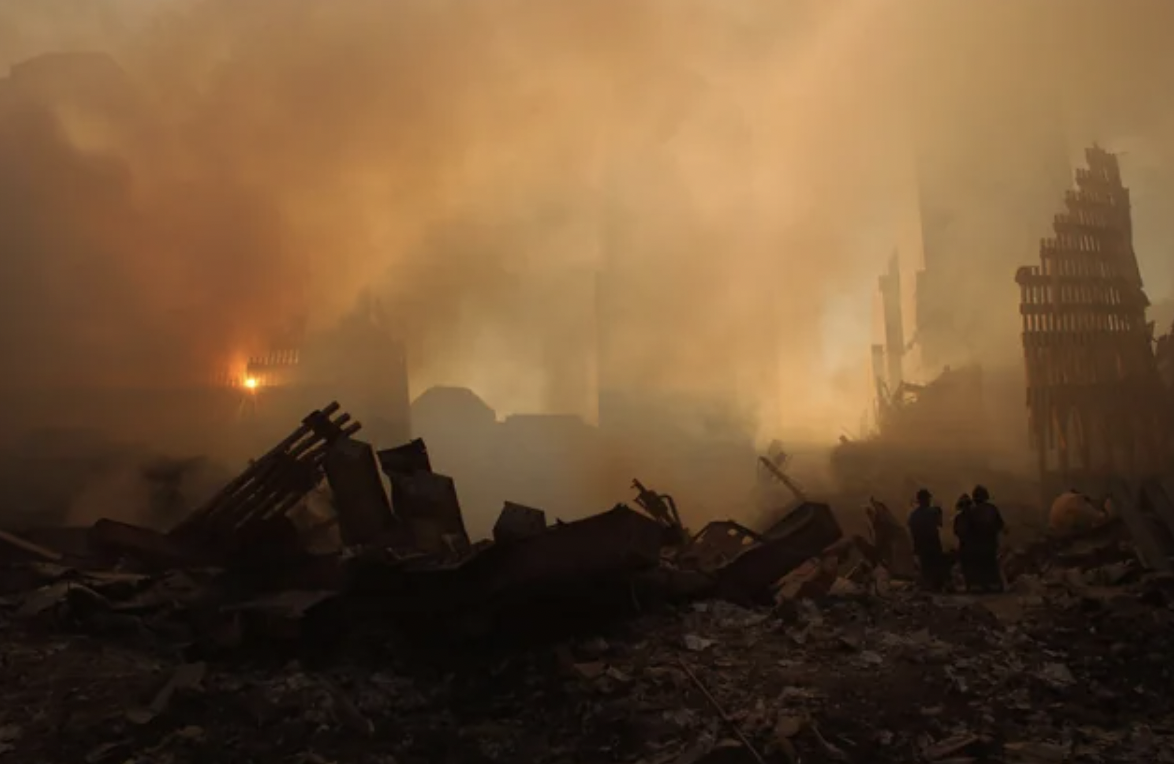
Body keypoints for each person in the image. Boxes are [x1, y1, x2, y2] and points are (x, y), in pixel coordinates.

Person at [966, 485, 1006, 592]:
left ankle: (982, 586)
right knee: (990, 565)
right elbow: (1000, 525)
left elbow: (967, 530)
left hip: (977, 545)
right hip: (990, 544)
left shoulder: (972, 511)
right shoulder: (992, 509)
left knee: (980, 566)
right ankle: (992, 586)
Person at [907, 488, 948, 590]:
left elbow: (912, 530)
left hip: (921, 544)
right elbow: (940, 523)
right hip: (933, 542)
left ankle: (928, 585)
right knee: (936, 564)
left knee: (926, 565)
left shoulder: (914, 515)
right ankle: (935, 585)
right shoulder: (933, 512)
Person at [953, 493, 976, 591]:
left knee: (968, 565)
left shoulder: (959, 518)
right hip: (971, 544)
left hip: (966, 544)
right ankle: (971, 585)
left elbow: (956, 531)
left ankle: (970, 586)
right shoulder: (974, 516)